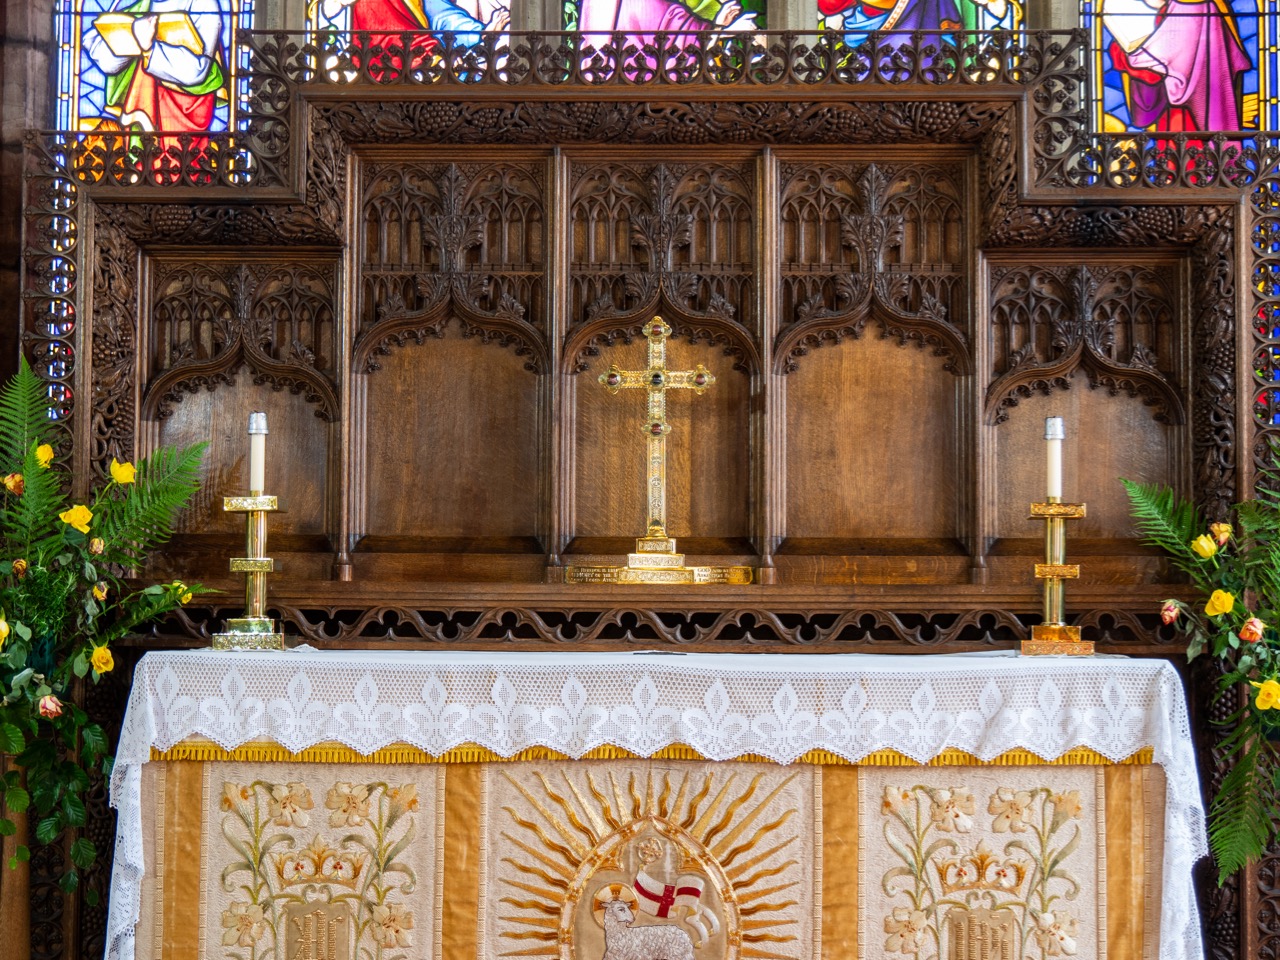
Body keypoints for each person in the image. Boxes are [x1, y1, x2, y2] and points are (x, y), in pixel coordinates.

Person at [82, 0, 228, 141]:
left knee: (181, 155)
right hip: (145, 114)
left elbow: (197, 70)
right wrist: (134, 38)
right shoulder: (141, 7)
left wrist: (150, 49)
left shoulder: (203, 4)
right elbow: (107, 63)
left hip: (186, 118)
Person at [1103, 0, 1252, 131]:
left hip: (1183, 114)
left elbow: (1166, 62)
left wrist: (1126, 54)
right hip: (1208, 102)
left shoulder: (1187, 9)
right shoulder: (1211, 6)